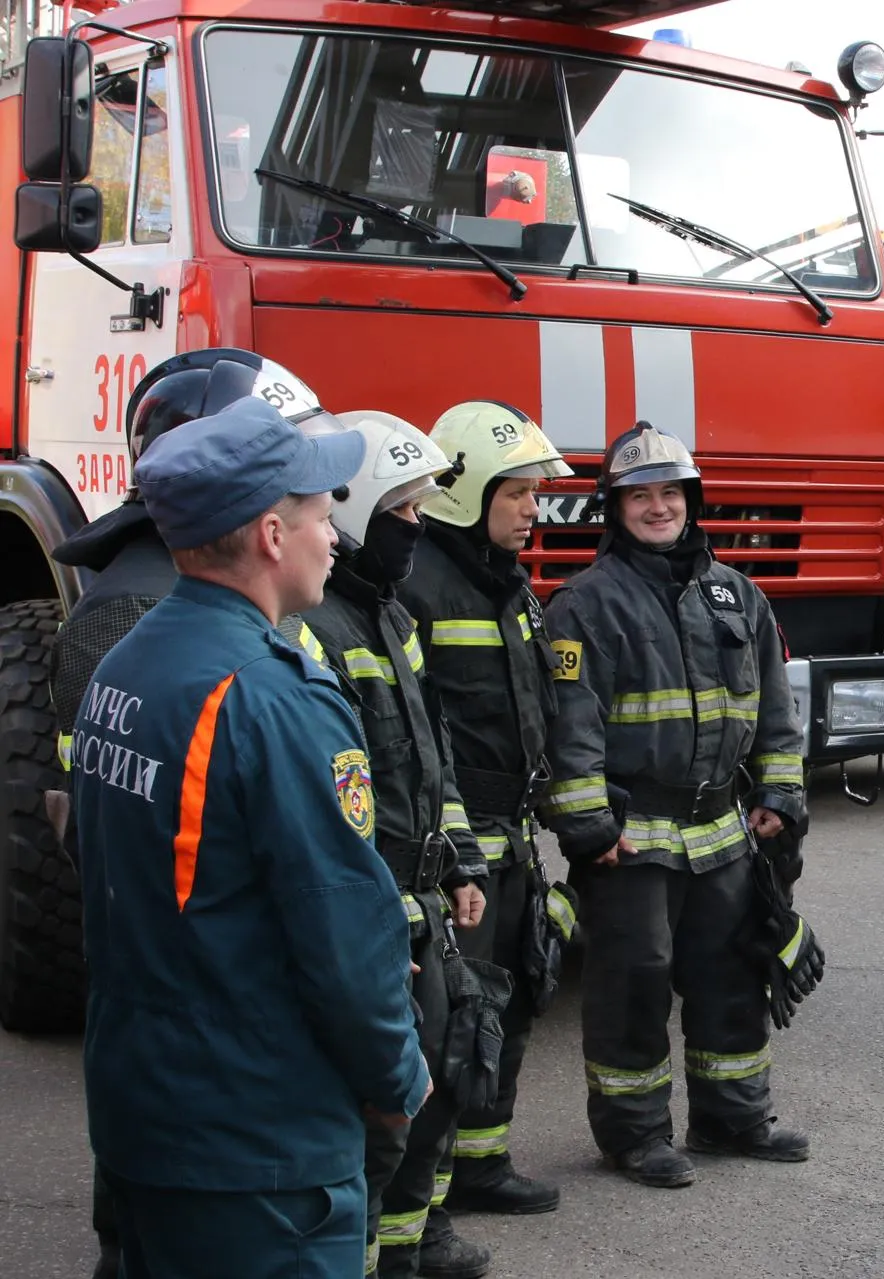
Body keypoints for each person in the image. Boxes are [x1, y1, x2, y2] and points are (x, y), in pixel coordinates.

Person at [71, 398, 428, 1279]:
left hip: (145, 1110)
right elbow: (344, 934)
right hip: (257, 1143)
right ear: (272, 534)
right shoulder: (275, 699)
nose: (336, 534)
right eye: (320, 510)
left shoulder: (126, 661)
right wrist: (396, 1086)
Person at [47, 349, 344, 1279]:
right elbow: (324, 909)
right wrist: (394, 1075)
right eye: (285, 462)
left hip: (164, 1073)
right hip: (228, 1100)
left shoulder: (155, 623)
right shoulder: (158, 627)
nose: (322, 518)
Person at [541, 424, 810, 1189]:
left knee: (731, 975)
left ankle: (733, 1119)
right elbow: (573, 727)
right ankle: (635, 1135)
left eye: (670, 492)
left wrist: (781, 793)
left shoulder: (736, 594)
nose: (657, 508)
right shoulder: (585, 605)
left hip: (722, 831)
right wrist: (588, 827)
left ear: (691, 501)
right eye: (639, 496)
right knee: (634, 984)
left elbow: (774, 711)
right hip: (631, 839)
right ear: (614, 508)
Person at [300, 410, 495, 1279]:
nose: (417, 527)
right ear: (352, 514)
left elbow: (432, 758)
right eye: (405, 509)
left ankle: (414, 1248)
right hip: (378, 912)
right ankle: (374, 1260)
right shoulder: (319, 632)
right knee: (378, 1114)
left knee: (440, 1084)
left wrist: (458, 860)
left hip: (422, 903)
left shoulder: (396, 622)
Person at [398, 402, 574, 1223]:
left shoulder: (511, 587)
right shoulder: (419, 586)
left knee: (509, 1000)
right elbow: (419, 736)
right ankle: (419, 1210)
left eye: (536, 493)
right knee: (450, 1020)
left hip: (513, 841)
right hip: (458, 848)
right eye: (520, 493)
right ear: (465, 493)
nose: (535, 509)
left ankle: (483, 1163)